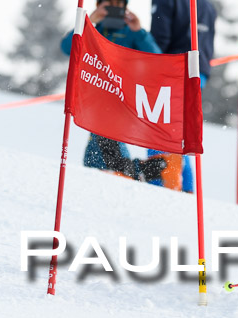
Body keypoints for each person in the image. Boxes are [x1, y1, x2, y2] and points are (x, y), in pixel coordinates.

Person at [60, 0, 168, 184]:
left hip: (120, 97)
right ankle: (129, 172)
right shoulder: (92, 30)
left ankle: (126, 173)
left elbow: (157, 59)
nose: (114, 8)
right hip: (95, 96)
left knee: (104, 137)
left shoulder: (132, 33)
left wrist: (139, 31)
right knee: (97, 146)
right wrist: (90, 20)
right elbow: (67, 47)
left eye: (119, 5)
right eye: (109, 4)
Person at [149, 0, 218, 193]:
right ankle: (185, 192)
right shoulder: (208, 5)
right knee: (177, 135)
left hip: (173, 69)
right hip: (198, 72)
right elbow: (209, 42)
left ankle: (161, 190)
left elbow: (160, 38)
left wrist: (148, 66)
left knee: (160, 133)